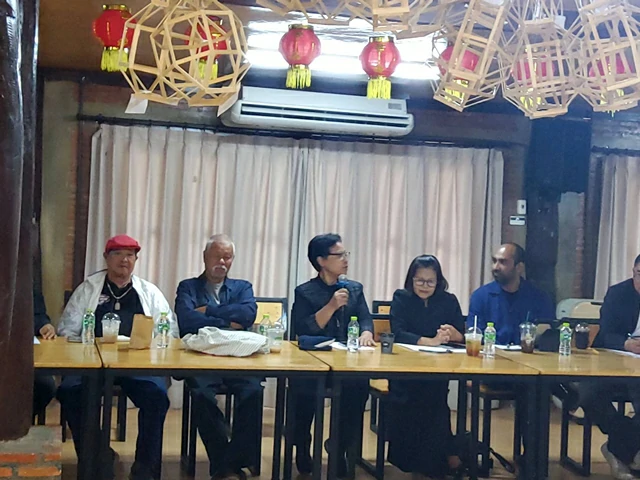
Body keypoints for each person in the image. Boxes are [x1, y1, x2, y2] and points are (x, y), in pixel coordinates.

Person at [57, 234, 176, 480]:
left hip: (138, 365)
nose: (124, 260)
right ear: (106, 258)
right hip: (93, 365)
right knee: (70, 392)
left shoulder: (149, 292)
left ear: (136, 260)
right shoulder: (89, 288)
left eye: (130, 255)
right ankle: (98, 458)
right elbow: (67, 330)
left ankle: (145, 470)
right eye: (118, 254)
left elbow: (170, 332)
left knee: (156, 397)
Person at [175, 234, 261, 480]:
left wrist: (209, 312)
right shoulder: (188, 287)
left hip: (238, 357)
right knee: (201, 394)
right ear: (205, 257)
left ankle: (226, 463)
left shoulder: (242, 287)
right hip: (200, 357)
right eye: (217, 256)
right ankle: (228, 461)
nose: (222, 262)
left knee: (254, 391)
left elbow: (248, 315)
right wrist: (227, 323)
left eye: (227, 257)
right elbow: (186, 320)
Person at [291, 233, 375, 478]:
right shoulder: (305, 292)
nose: (345, 259)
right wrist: (331, 306)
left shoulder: (354, 289)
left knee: (358, 387)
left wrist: (366, 332)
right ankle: (302, 444)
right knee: (303, 390)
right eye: (339, 255)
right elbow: (302, 330)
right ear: (321, 261)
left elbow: (365, 318)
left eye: (345, 254)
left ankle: (338, 447)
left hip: (346, 363)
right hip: (313, 364)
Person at [388, 255, 464, 478]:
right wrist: (427, 341)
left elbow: (462, 334)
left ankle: (437, 460)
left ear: (438, 281)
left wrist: (455, 334)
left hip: (438, 369)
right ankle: (414, 461)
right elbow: (398, 332)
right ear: (411, 279)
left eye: (430, 281)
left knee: (435, 398)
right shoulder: (401, 298)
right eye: (419, 280)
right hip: (405, 370)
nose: (424, 286)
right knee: (415, 399)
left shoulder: (448, 301)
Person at [579, 254, 640, 480]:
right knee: (587, 394)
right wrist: (626, 344)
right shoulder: (618, 294)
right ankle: (625, 446)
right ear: (633, 272)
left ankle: (617, 448)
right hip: (613, 361)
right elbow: (605, 333)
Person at [468, 243, 554, 343]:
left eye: (503, 262)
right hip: (491, 351)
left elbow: (548, 336)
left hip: (527, 352)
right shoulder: (480, 297)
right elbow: (475, 336)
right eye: (494, 261)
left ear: (519, 267)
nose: (495, 267)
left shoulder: (539, 298)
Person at [33, 286, 56, 422]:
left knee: (45, 386)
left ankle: (17, 425)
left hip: (18, 354)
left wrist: (44, 325)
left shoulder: (23, 282)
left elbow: (38, 315)